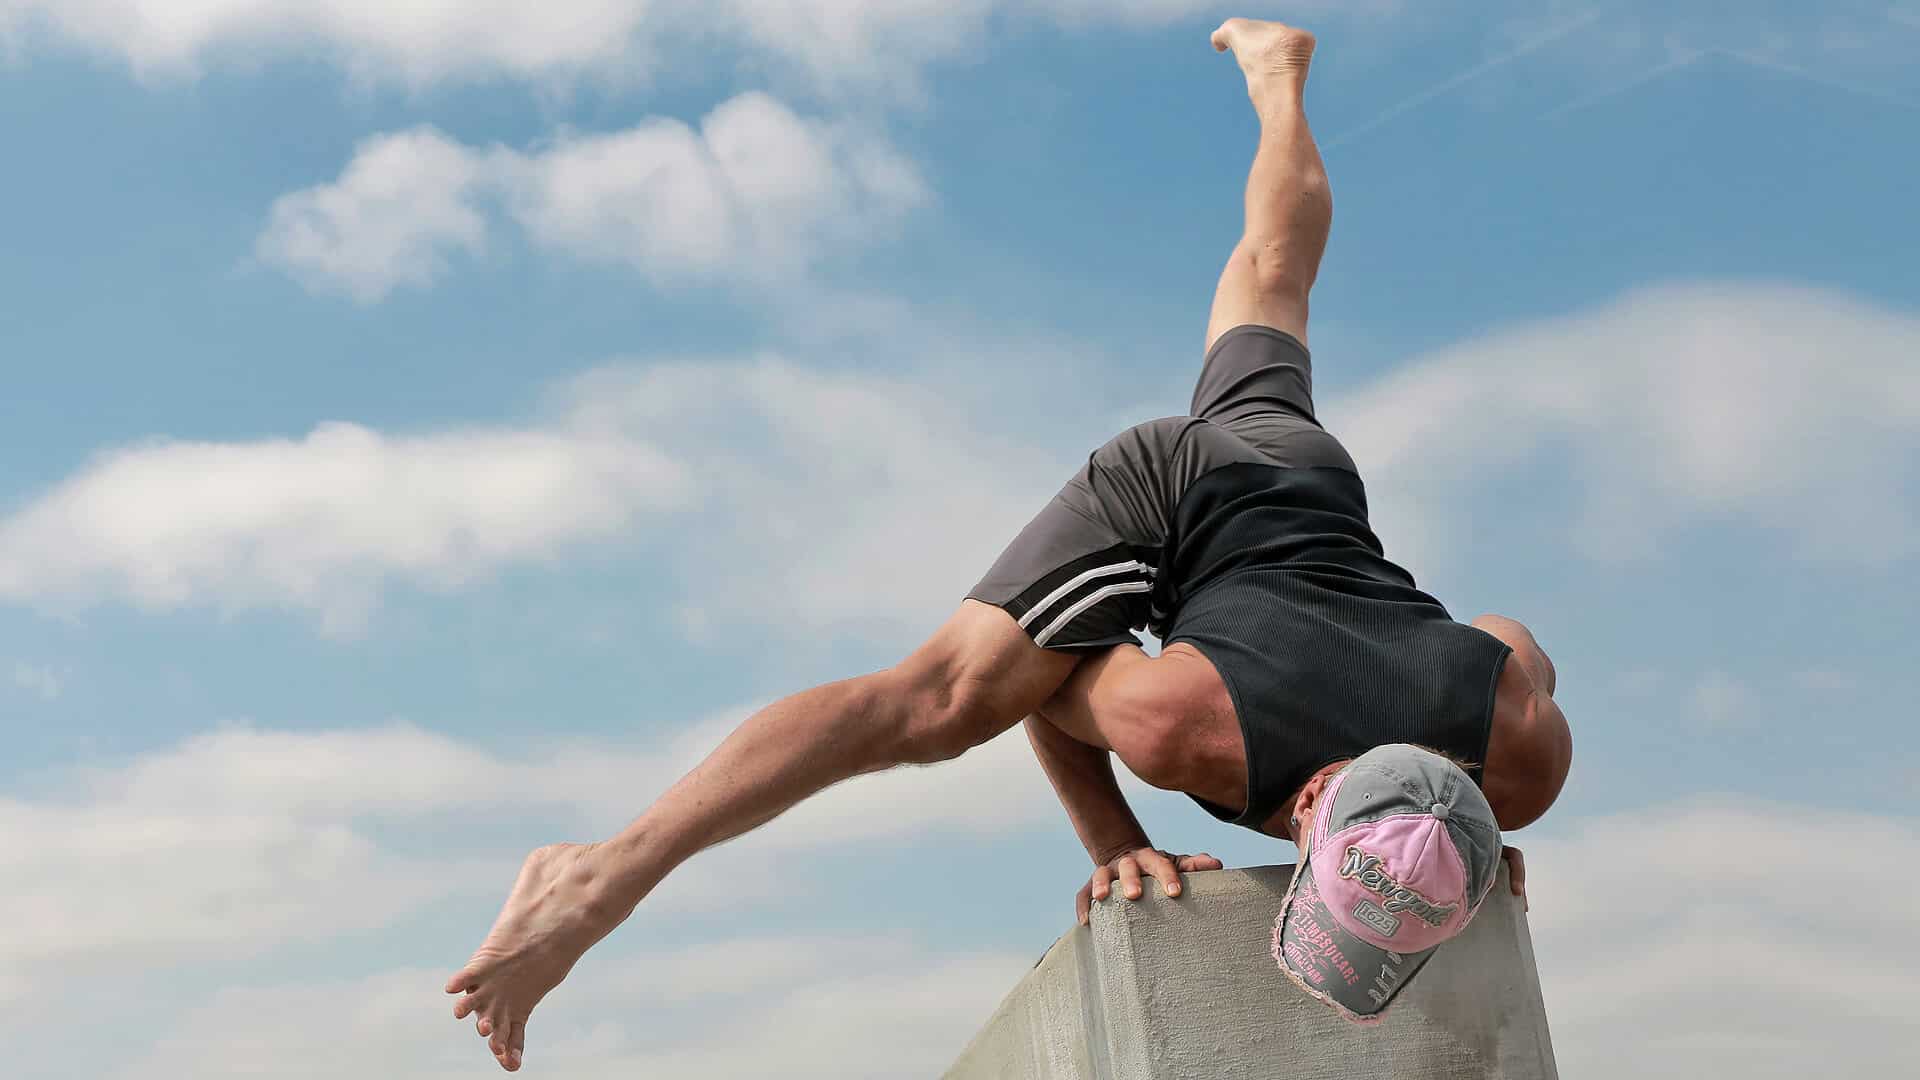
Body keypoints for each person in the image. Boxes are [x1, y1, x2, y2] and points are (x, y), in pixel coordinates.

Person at [444, 18, 1573, 1071]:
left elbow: (1504, 638)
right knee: (936, 703)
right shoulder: (1184, 725)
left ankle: (1278, 78)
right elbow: (1058, 666)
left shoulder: (1520, 748)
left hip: (1302, 477)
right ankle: (601, 874)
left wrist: (1453, 833)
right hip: (1171, 493)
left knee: (1271, 280)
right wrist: (1110, 837)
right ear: (1317, 796)